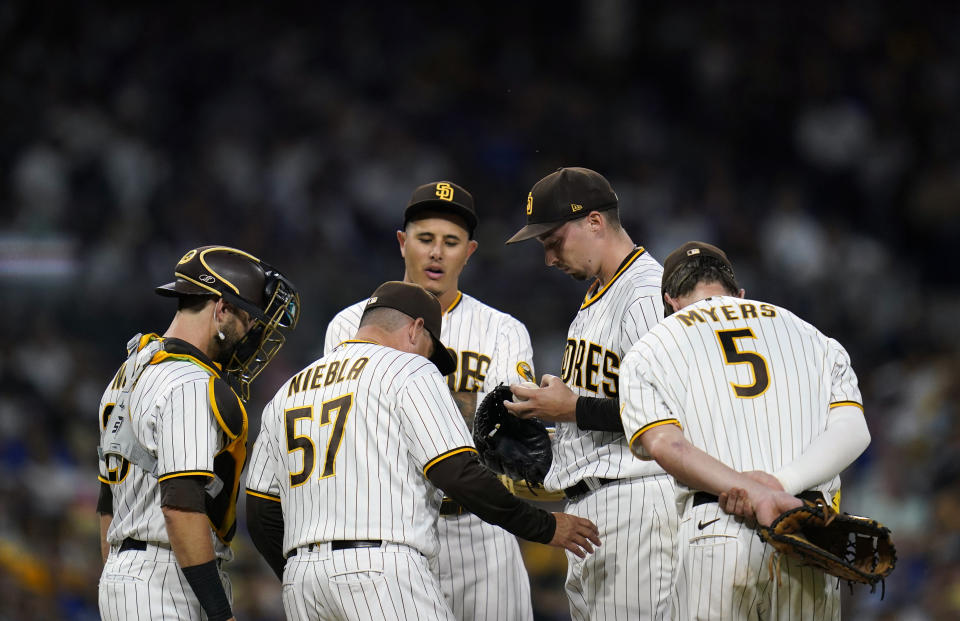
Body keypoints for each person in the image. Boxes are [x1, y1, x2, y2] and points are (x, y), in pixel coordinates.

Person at [244, 281, 600, 621]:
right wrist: (543, 525)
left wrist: (300, 572)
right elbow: (459, 475)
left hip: (302, 583)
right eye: (430, 349)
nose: (428, 359)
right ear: (415, 329)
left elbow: (261, 512)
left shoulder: (286, 392)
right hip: (381, 572)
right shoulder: (408, 368)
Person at [322, 181, 541, 621]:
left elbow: (502, 428)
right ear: (403, 243)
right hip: (391, 530)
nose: (437, 253)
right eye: (425, 239)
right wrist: (456, 403)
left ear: (470, 251)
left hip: (480, 529)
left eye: (451, 242)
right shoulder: (350, 323)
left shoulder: (502, 329)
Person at [619, 241, 872, 620]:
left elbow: (663, 442)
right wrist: (778, 486)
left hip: (717, 526)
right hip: (805, 529)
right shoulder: (814, 337)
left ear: (669, 301)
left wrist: (751, 491)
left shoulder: (652, 346)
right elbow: (854, 431)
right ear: (738, 294)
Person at [504, 167, 678, 620]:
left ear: (595, 222)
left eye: (553, 241)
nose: (548, 258)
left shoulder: (644, 294)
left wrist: (571, 407)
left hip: (638, 501)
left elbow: (672, 410)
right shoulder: (597, 298)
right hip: (592, 513)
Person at [96, 245, 301, 621]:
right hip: (166, 579)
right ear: (221, 308)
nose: (252, 334)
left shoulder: (129, 371)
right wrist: (221, 614)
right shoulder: (190, 382)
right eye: (249, 319)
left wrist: (120, 580)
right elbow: (180, 506)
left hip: (127, 575)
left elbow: (106, 505)